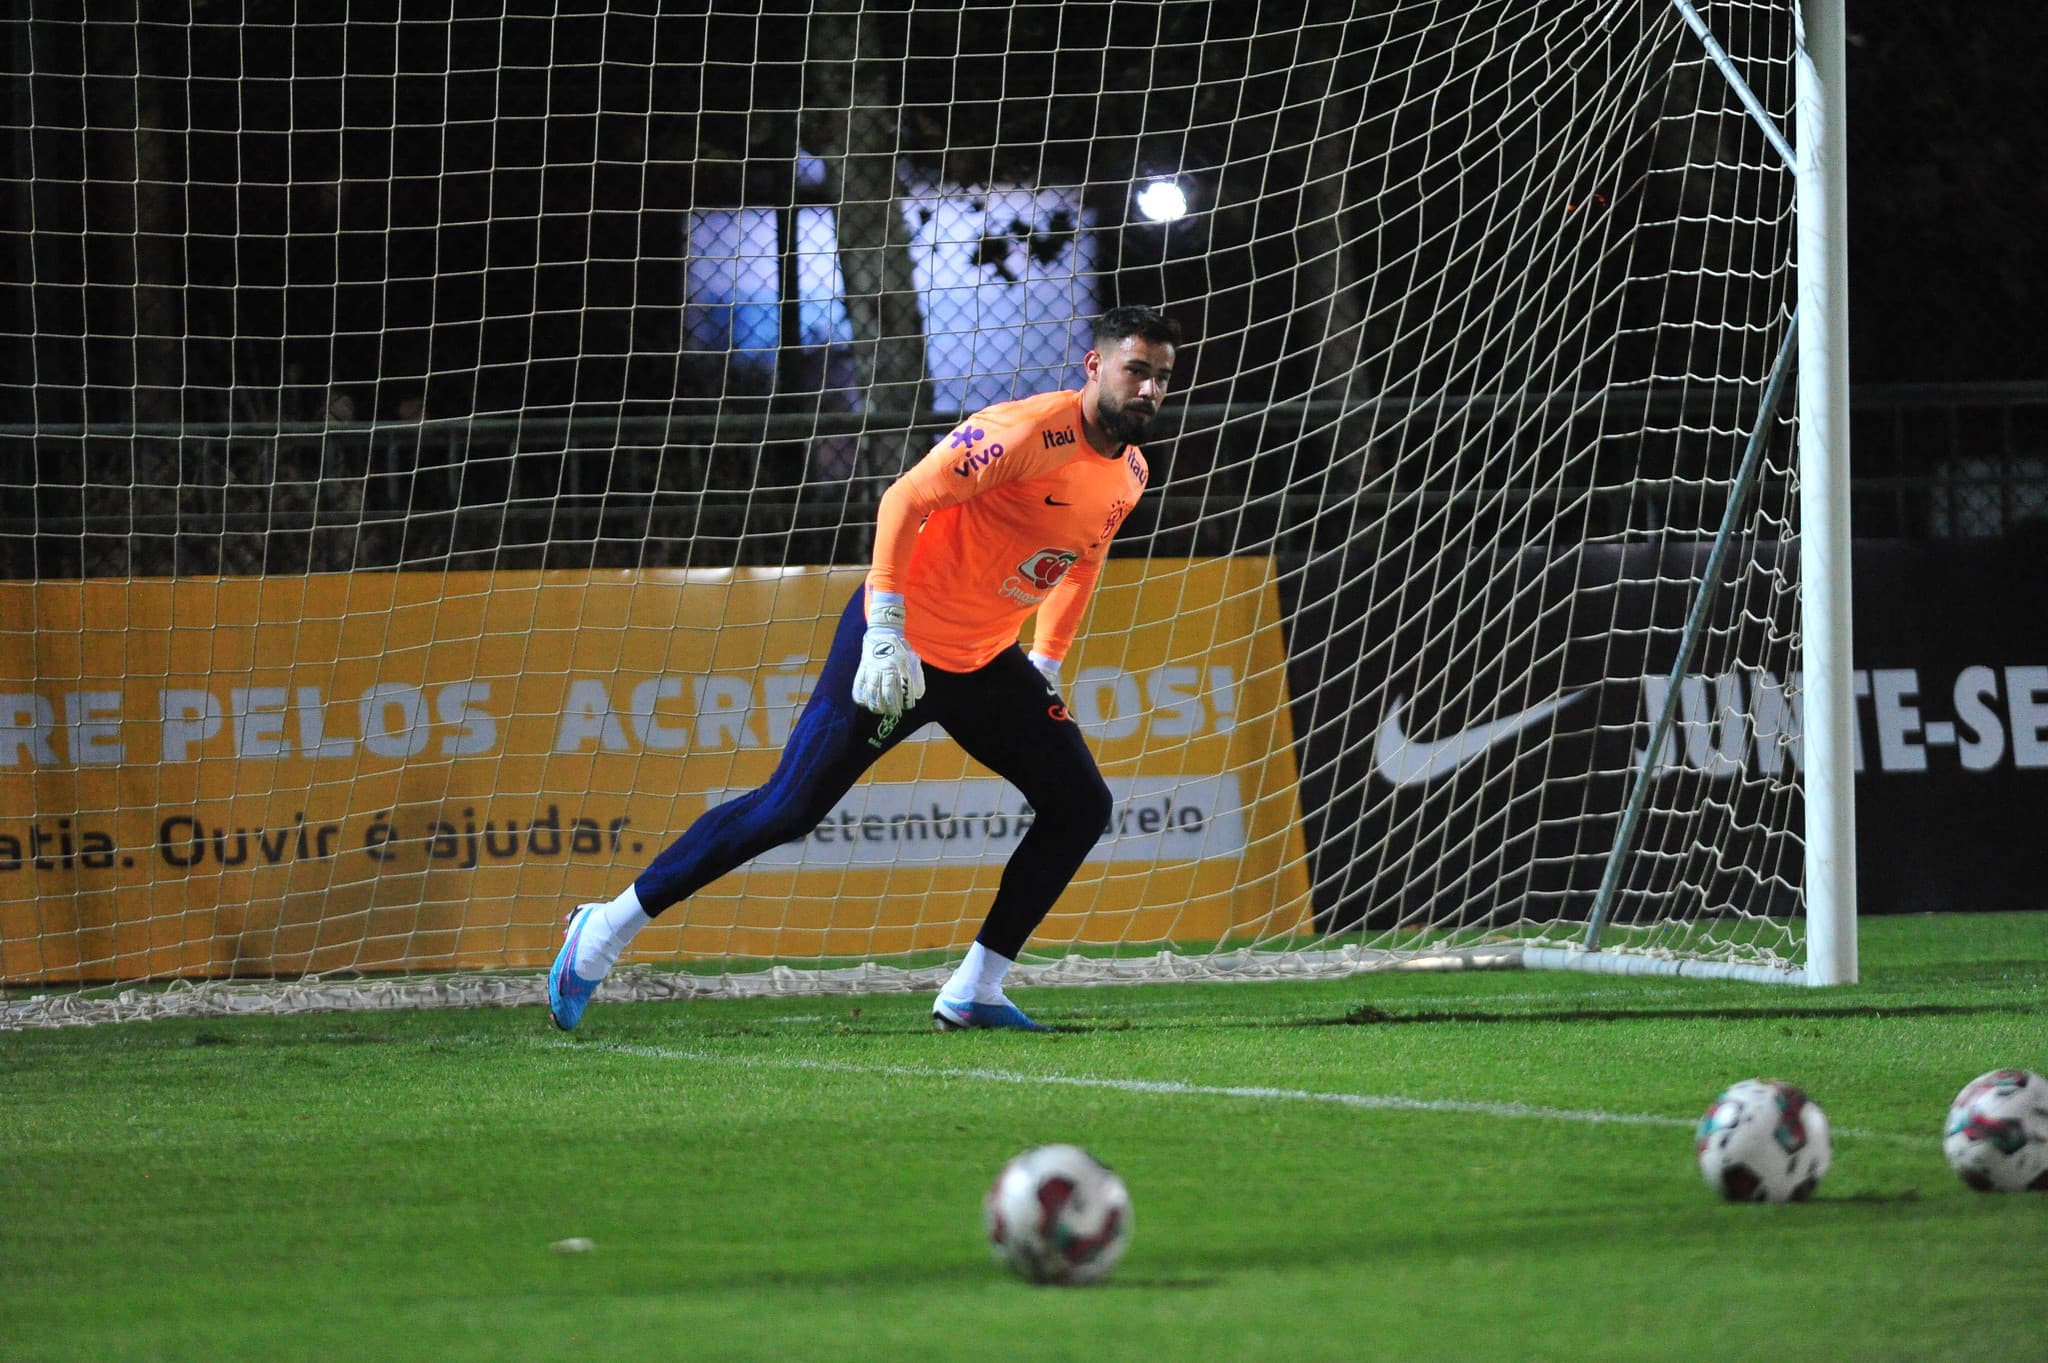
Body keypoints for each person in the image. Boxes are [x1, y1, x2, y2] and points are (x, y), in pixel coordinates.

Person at [547, 305, 1182, 1032]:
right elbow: (904, 496)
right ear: (1094, 366)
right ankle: (600, 931)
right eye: (1138, 370)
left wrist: (1045, 658)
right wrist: (885, 627)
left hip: (985, 663)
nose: (1150, 389)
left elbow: (1080, 561)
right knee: (789, 808)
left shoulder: (1130, 473)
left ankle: (975, 989)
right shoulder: (1024, 432)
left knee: (1081, 805)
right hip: (899, 644)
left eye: (1162, 377)